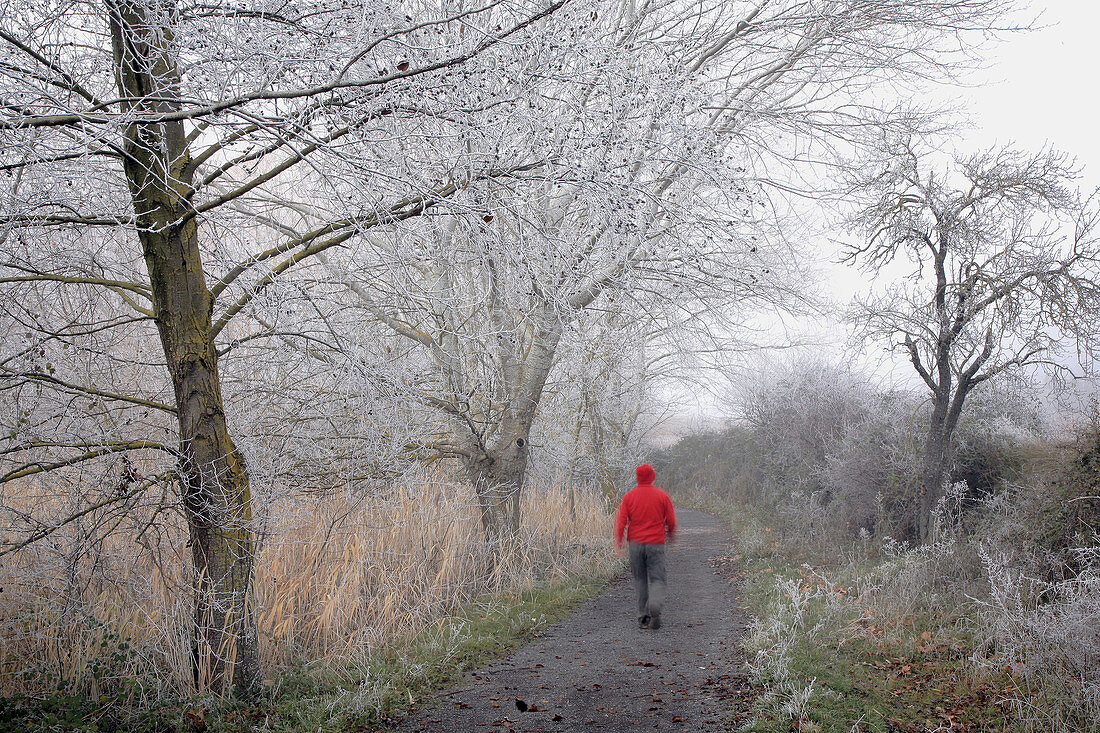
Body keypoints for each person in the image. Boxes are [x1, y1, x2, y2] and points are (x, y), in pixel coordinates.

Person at [614, 463, 676, 630]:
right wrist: (671, 534)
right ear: (652, 476)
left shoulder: (629, 497)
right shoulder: (662, 496)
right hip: (655, 543)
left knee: (640, 580)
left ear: (637, 477)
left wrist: (619, 540)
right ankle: (654, 606)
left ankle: (643, 617)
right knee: (657, 578)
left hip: (635, 545)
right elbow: (671, 520)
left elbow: (621, 521)